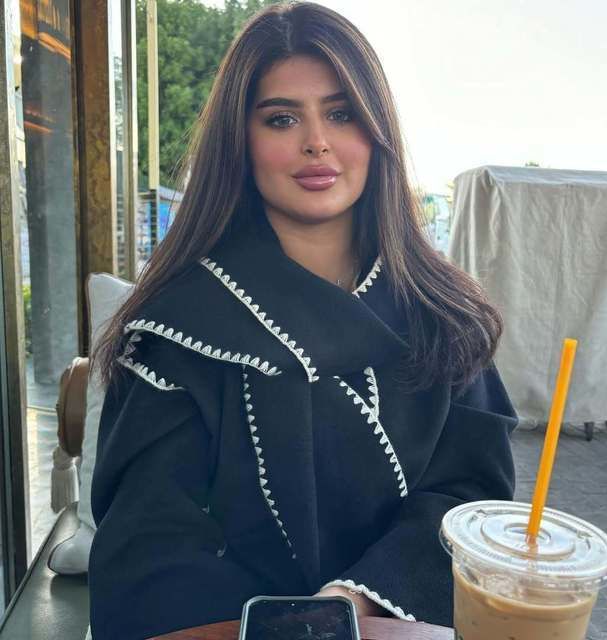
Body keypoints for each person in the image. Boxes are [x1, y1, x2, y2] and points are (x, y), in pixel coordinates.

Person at [88, 2, 517, 638]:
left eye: (341, 113)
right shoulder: (175, 332)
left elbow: (469, 500)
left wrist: (351, 602)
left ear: (377, 131)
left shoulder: (444, 316)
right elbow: (150, 545)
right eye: (282, 118)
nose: (316, 141)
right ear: (240, 141)